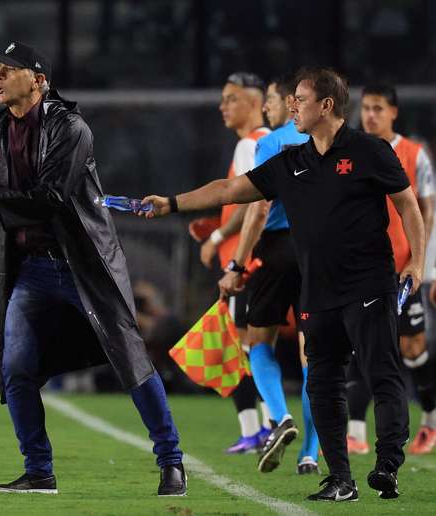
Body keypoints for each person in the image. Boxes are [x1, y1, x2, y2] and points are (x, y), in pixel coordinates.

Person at [0, 41, 186, 496]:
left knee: (130, 360)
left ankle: (171, 461)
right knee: (15, 368)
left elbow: (50, 198)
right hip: (32, 271)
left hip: (85, 266)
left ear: (37, 79)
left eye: (8, 69)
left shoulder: (72, 128)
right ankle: (39, 472)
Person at [140, 68, 423, 502]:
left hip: (370, 284)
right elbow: (230, 189)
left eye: (300, 99)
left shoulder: (371, 151)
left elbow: (408, 206)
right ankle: (340, 479)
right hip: (319, 290)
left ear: (326, 105)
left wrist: (418, 263)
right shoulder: (293, 161)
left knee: (381, 373)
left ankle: (387, 465)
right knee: (322, 382)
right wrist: (172, 203)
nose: (291, 106)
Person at [217, 74, 320, 475]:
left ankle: (279, 417)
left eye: (276, 102)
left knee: (259, 340)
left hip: (276, 250)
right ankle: (311, 452)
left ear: (288, 105)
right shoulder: (332, 144)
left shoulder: (270, 143)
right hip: (320, 253)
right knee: (314, 355)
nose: (272, 109)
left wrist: (237, 265)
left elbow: (258, 208)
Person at [344, 83, 436, 456]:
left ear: (394, 112)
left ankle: (430, 422)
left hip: (404, 269)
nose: (371, 115)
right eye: (366, 108)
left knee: (412, 348)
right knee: (361, 346)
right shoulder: (349, 150)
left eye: (378, 108)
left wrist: (425, 265)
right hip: (363, 269)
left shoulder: (415, 155)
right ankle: (355, 431)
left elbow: (427, 211)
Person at [202, 72, 273, 455]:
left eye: (231, 99)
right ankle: (263, 427)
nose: (223, 106)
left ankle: (260, 429)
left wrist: (217, 238)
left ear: (253, 103)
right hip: (261, 260)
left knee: (240, 347)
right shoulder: (269, 143)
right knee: (253, 346)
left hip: (244, 263)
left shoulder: (250, 144)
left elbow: (252, 204)